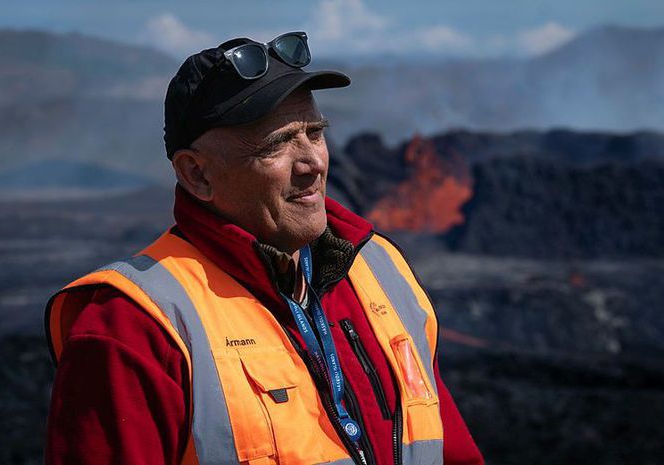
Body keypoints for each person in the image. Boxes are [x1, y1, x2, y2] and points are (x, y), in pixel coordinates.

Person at [43, 32, 484, 465]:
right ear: (197, 175)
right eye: (277, 144)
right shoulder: (135, 325)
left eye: (314, 132)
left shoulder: (380, 270)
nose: (312, 163)